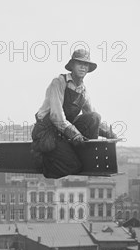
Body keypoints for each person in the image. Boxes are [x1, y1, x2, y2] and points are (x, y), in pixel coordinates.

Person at [31, 48, 116, 178]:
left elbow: (92, 115)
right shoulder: (58, 82)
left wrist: (109, 134)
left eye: (86, 64)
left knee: (94, 118)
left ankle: (87, 156)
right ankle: (43, 159)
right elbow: (56, 117)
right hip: (47, 133)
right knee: (74, 166)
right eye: (79, 63)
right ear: (72, 66)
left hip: (64, 133)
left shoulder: (83, 90)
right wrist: (75, 134)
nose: (83, 67)